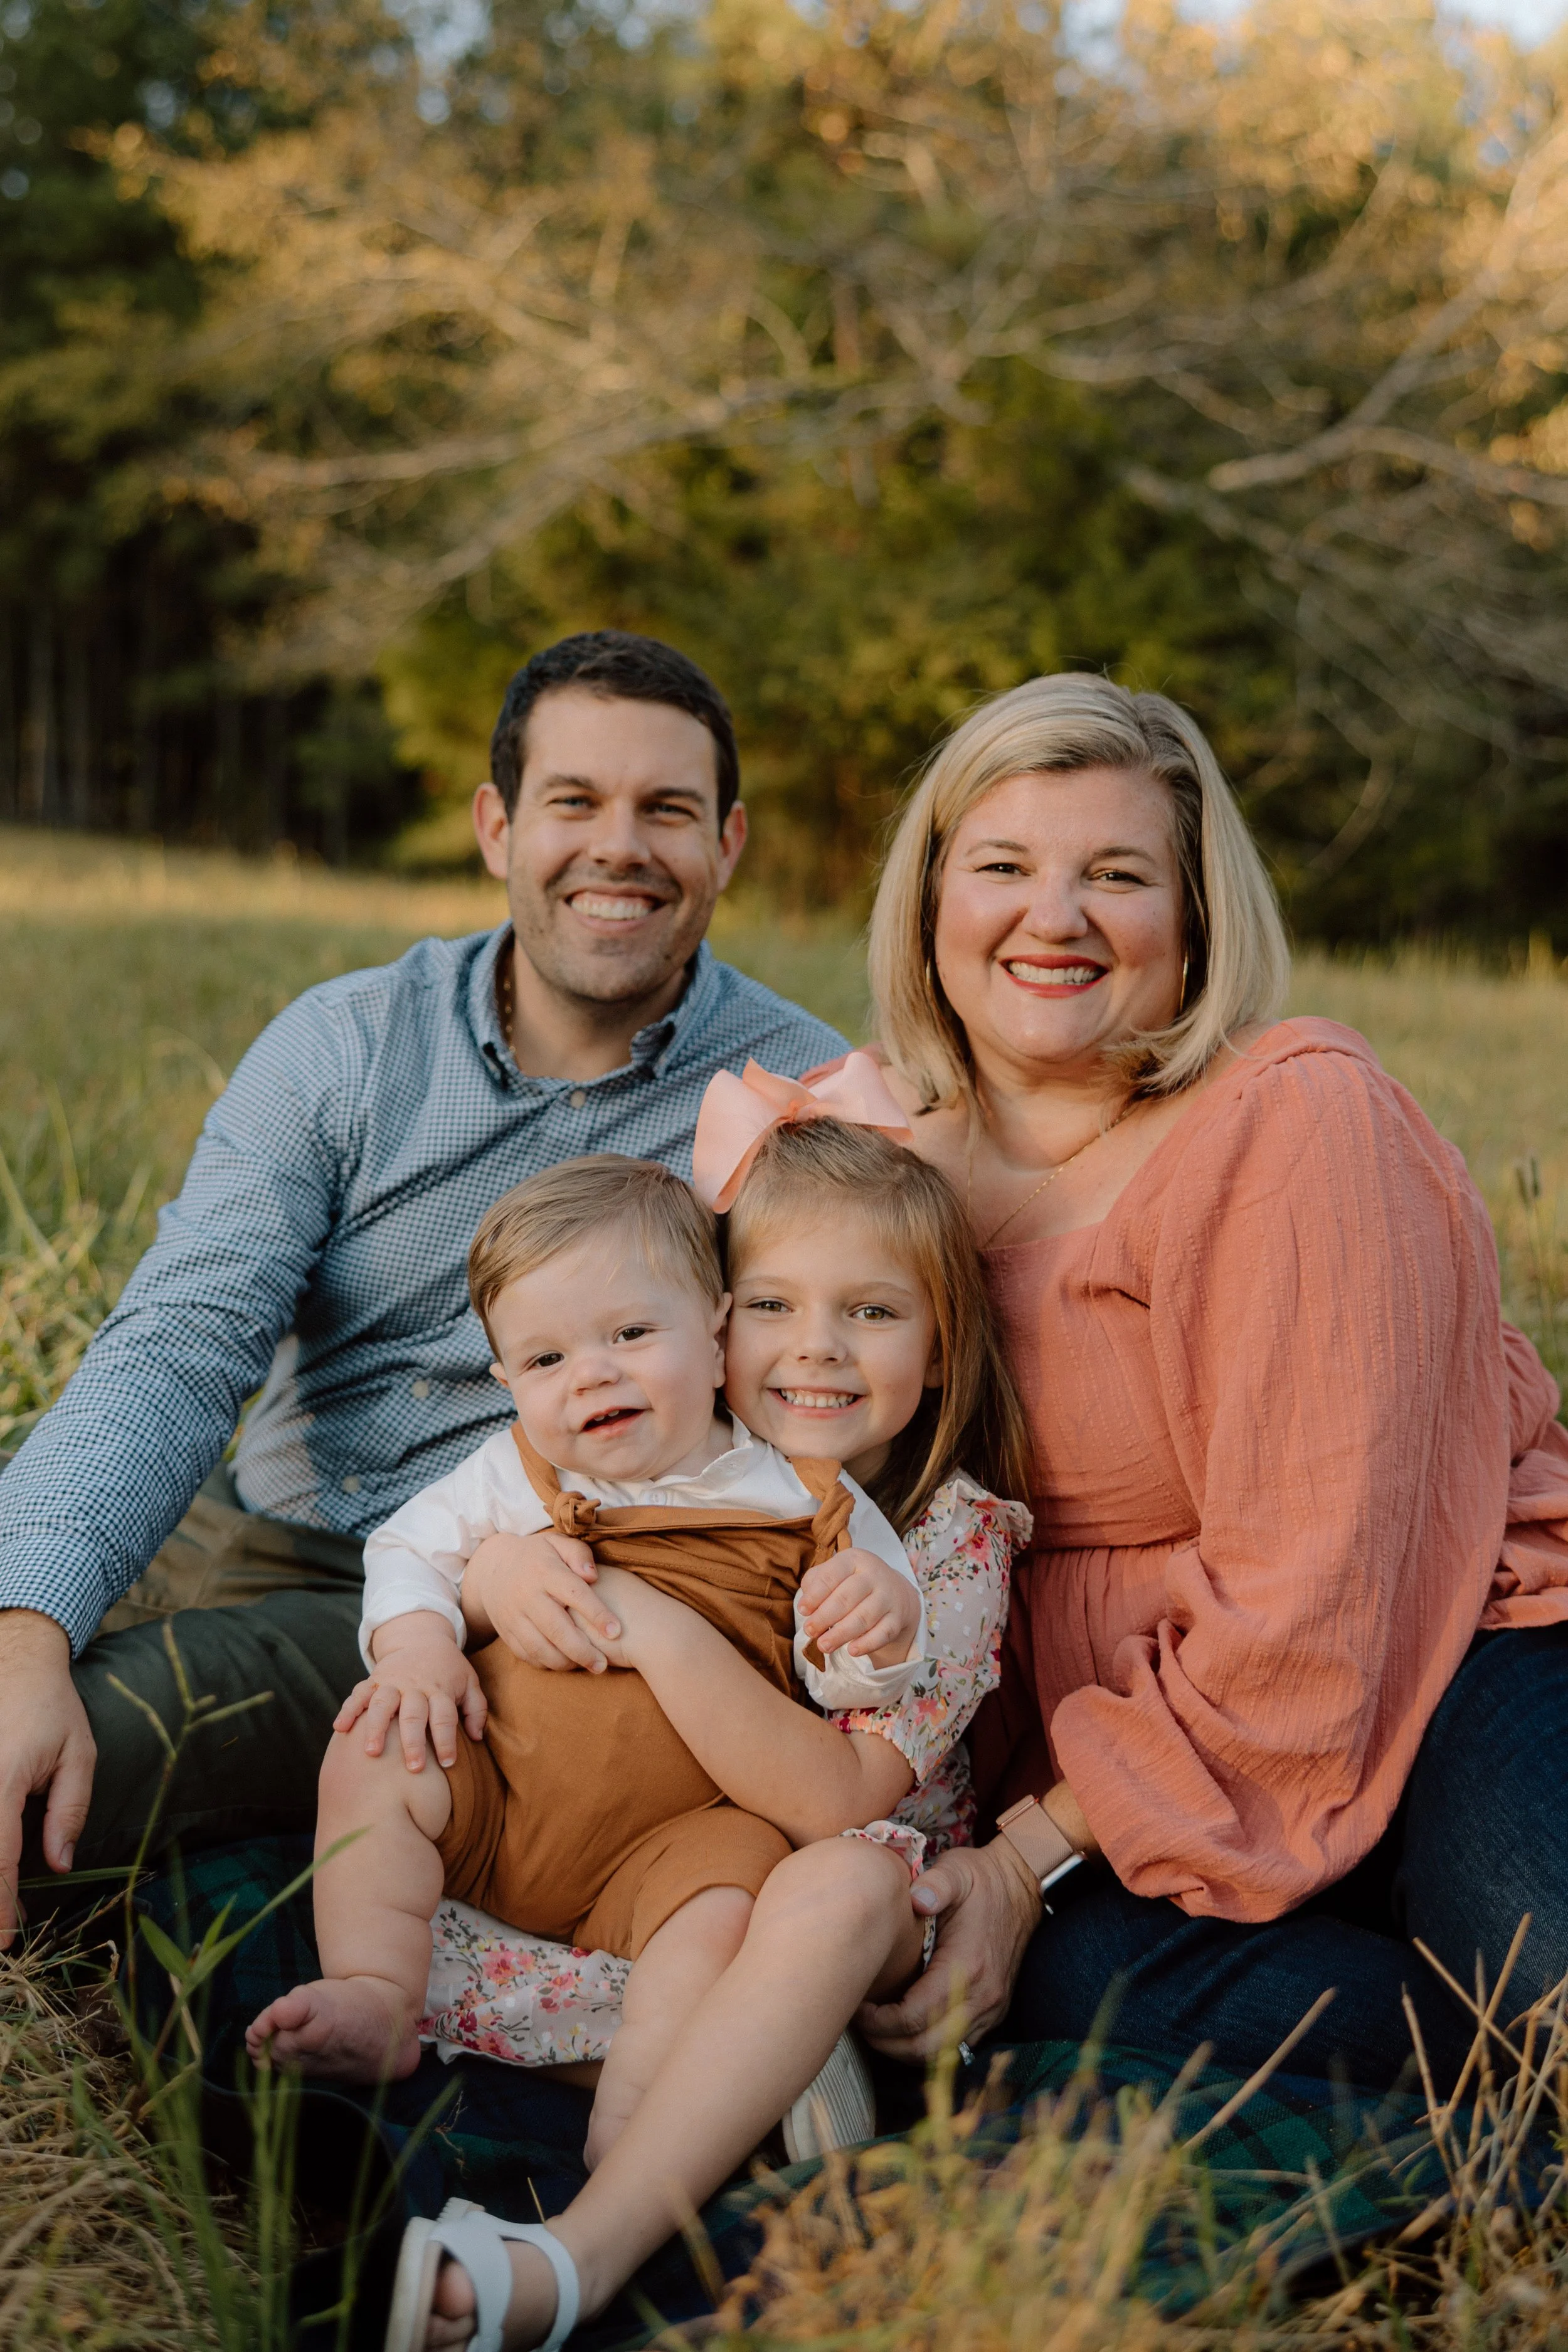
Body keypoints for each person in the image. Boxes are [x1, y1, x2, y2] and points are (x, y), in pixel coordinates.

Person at [0, 631, 850, 1938]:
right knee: (44, 1719)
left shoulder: (794, 1092)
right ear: (496, 826)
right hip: (302, 1551)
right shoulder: (348, 1044)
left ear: (727, 843)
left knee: (136, 1767)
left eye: (665, 810)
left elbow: (855, 1368)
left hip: (603, 1602)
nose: (618, 847)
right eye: (573, 802)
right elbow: (182, 1341)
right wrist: (25, 1626)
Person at [837, 672, 1568, 2099]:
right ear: (932, 906)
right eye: (1001, 867)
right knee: (1063, 1987)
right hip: (1133, 1784)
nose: (1053, 917)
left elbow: (1322, 1608)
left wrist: (1024, 1856)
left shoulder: (1289, 1122)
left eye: (1114, 873)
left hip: (1437, 1674)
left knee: (1549, 1998)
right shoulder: (874, 1178)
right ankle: (1459, 2082)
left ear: (1192, 924)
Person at [278, 1079, 1031, 2352]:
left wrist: (852, 1629)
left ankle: (618, 2177)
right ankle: (391, 1991)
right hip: (546, 1825)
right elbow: (443, 1547)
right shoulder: (637, 1437)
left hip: (752, 1864)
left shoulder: (912, 1534)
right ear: (722, 1320)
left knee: (805, 1894)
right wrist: (481, 1583)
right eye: (778, 1309)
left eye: (872, 1314)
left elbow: (847, 1759)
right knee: (372, 1752)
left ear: (943, 1342)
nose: (817, 1352)